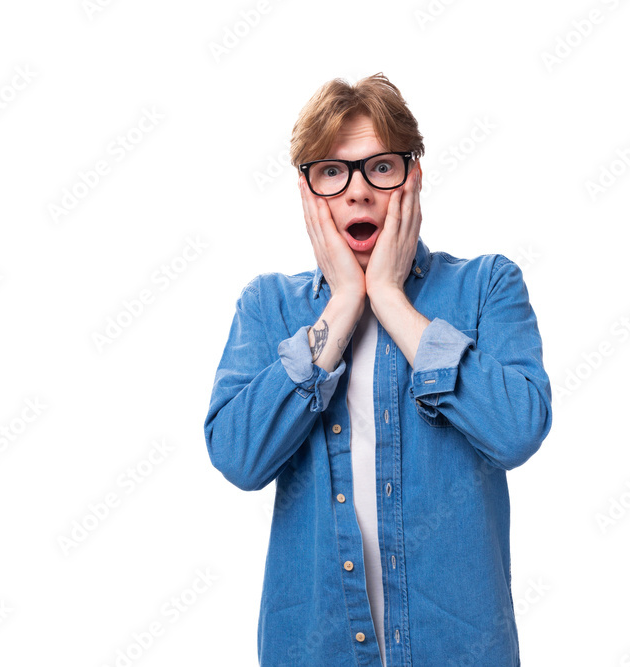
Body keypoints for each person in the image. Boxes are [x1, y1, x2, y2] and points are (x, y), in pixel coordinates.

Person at [205, 72, 552, 666]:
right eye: (333, 172)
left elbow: (517, 430)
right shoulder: (269, 305)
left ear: (412, 177)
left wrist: (389, 297)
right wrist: (343, 304)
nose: (358, 192)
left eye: (380, 167)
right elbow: (238, 457)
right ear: (308, 191)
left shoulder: (487, 285)